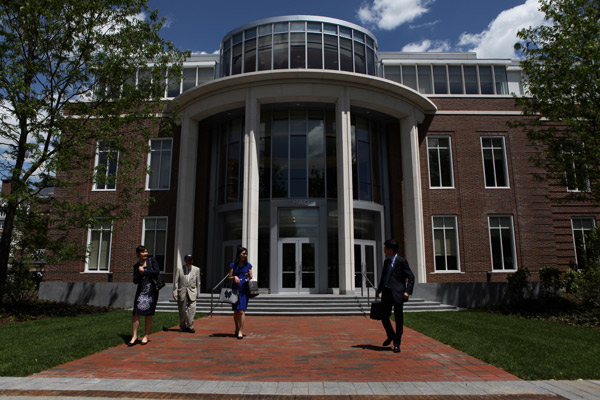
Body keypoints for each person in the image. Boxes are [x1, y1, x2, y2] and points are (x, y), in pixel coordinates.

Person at [375, 239, 415, 353]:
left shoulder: (402, 261)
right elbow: (384, 277)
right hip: (386, 293)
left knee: (398, 319)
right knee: (383, 316)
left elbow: (411, 277)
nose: (384, 249)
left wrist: (407, 291)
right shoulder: (386, 261)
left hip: (398, 294)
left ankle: (397, 344)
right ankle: (391, 335)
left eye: (385, 248)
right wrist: (379, 290)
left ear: (390, 250)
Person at [129, 245, 160, 347]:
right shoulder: (136, 266)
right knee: (136, 313)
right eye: (143, 252)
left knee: (148, 314)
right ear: (138, 254)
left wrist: (145, 271)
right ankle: (134, 336)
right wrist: (139, 272)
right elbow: (135, 281)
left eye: (146, 251)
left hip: (152, 291)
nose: (145, 254)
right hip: (141, 292)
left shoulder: (152, 261)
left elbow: (156, 272)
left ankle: (146, 336)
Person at [228, 246, 253, 340]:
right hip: (235, 289)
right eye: (243, 253)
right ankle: (236, 327)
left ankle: (241, 331)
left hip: (244, 289)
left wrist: (248, 275)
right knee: (236, 311)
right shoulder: (233, 265)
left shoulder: (248, 265)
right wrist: (234, 277)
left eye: (246, 254)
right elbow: (229, 277)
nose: (245, 255)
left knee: (242, 310)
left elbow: (251, 277)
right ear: (239, 254)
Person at [173, 254, 200, 333]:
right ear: (185, 260)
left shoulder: (196, 269)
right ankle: (182, 325)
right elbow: (176, 282)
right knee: (182, 309)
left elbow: (198, 282)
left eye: (191, 259)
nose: (190, 261)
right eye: (188, 259)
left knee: (192, 309)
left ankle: (190, 325)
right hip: (182, 291)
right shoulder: (179, 269)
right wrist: (175, 292)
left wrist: (198, 293)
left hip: (192, 291)